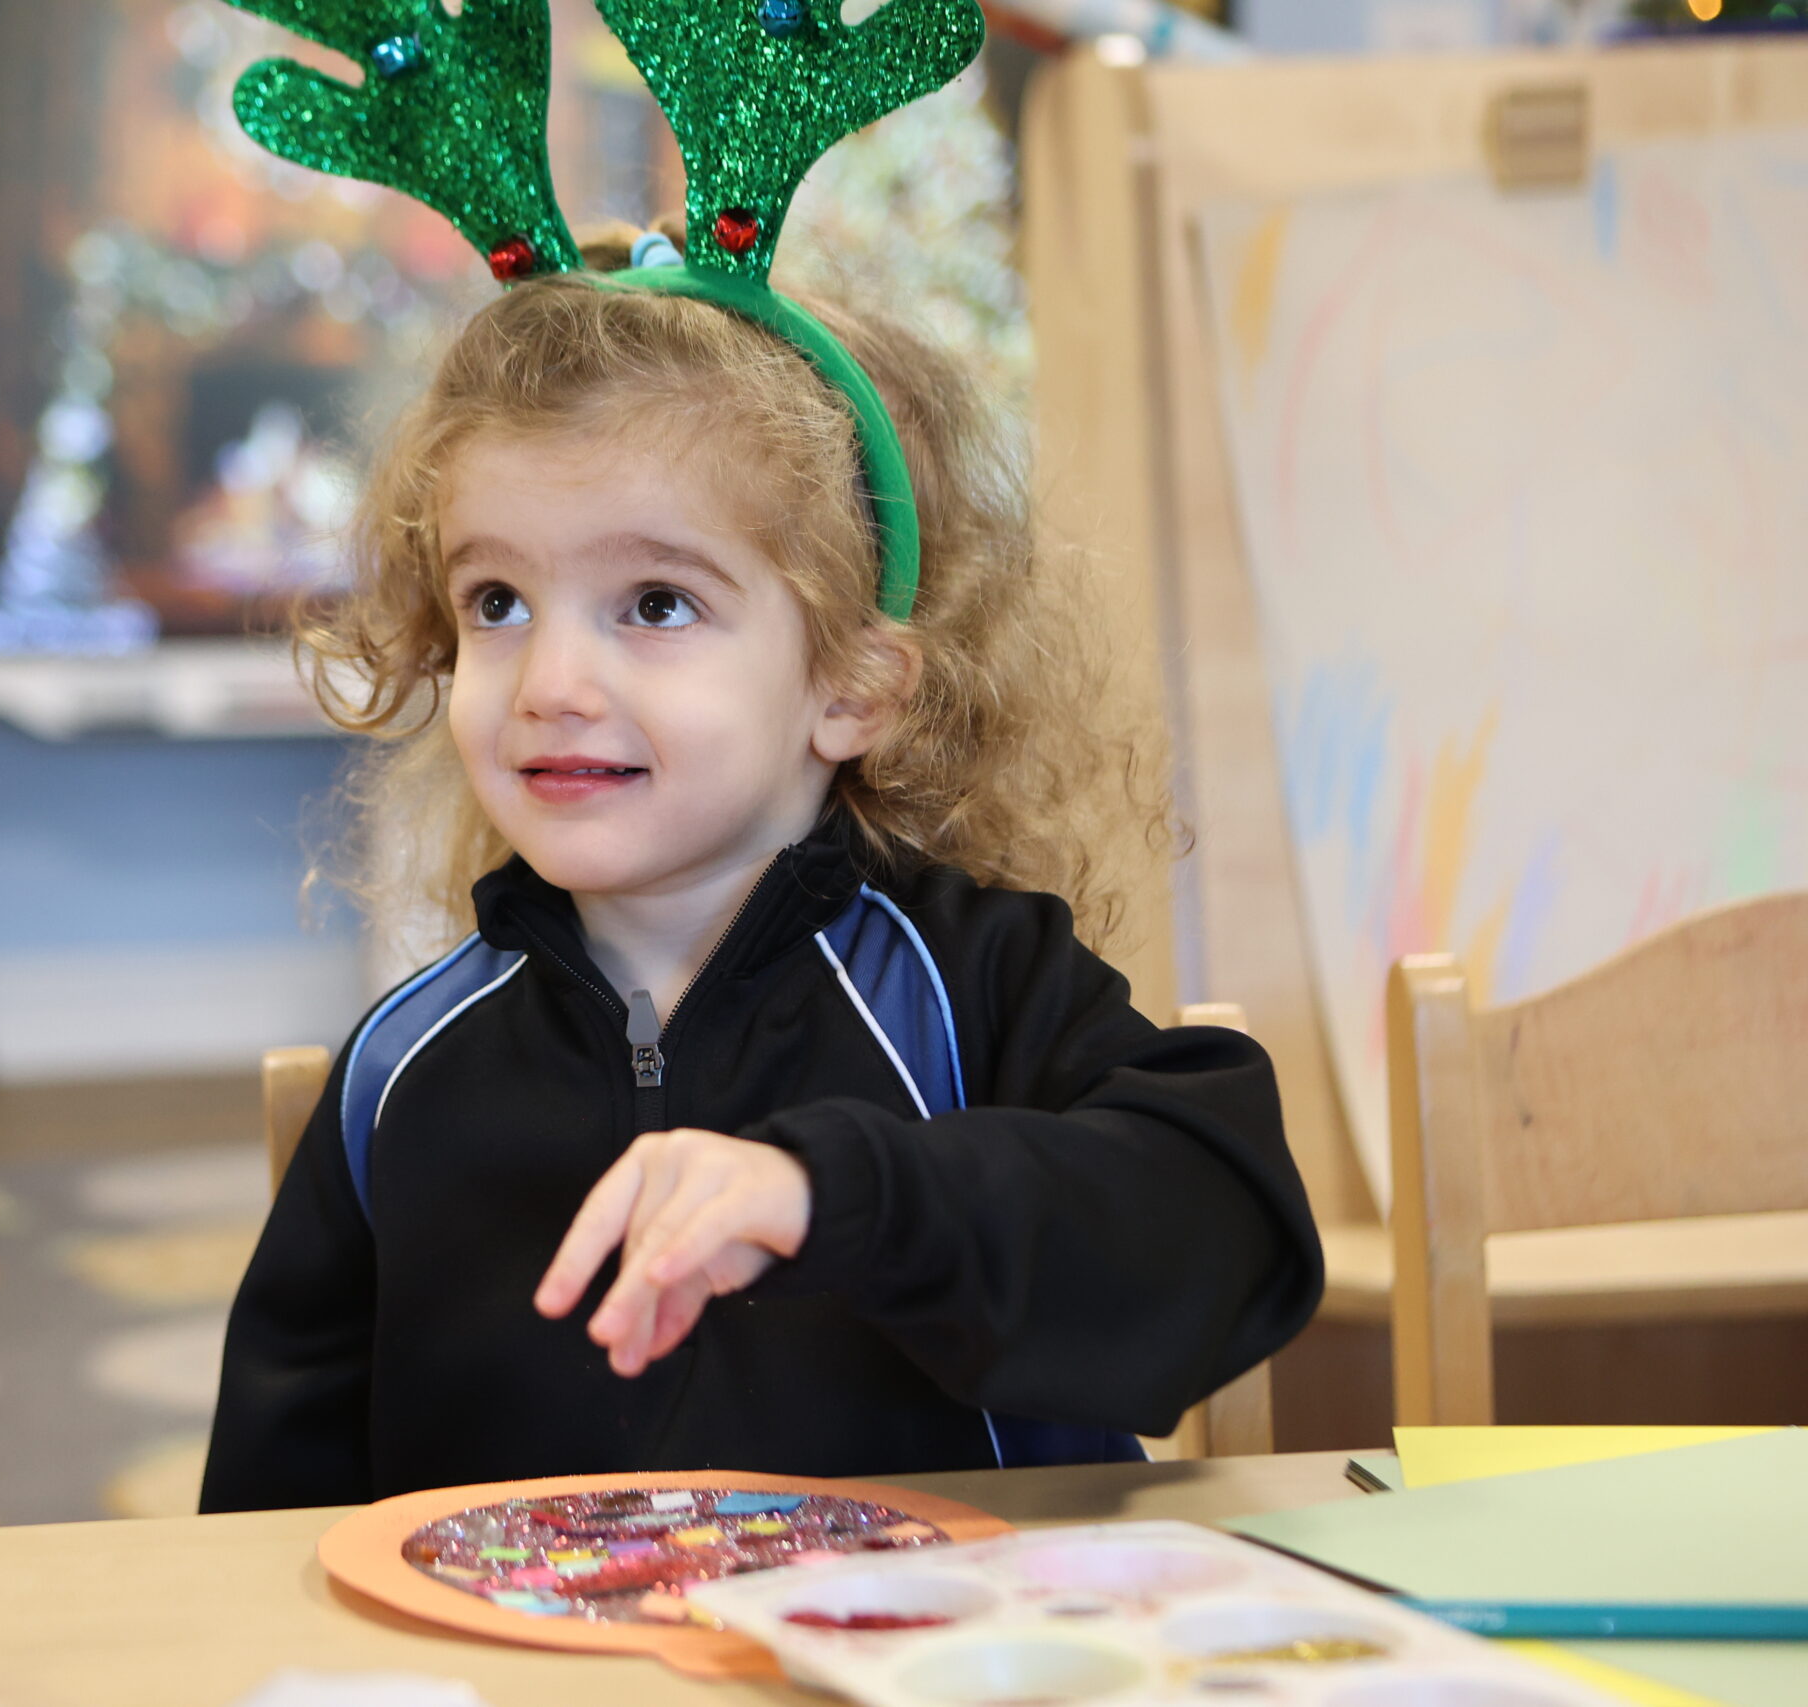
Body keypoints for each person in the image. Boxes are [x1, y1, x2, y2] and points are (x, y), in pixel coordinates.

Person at [197, 225, 1322, 1514]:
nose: (551, 685)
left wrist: (829, 1192)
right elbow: (261, 1537)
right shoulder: (404, 1073)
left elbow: (1221, 1232)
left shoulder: (978, 988)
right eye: (497, 601)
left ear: (849, 685)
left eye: (657, 604)